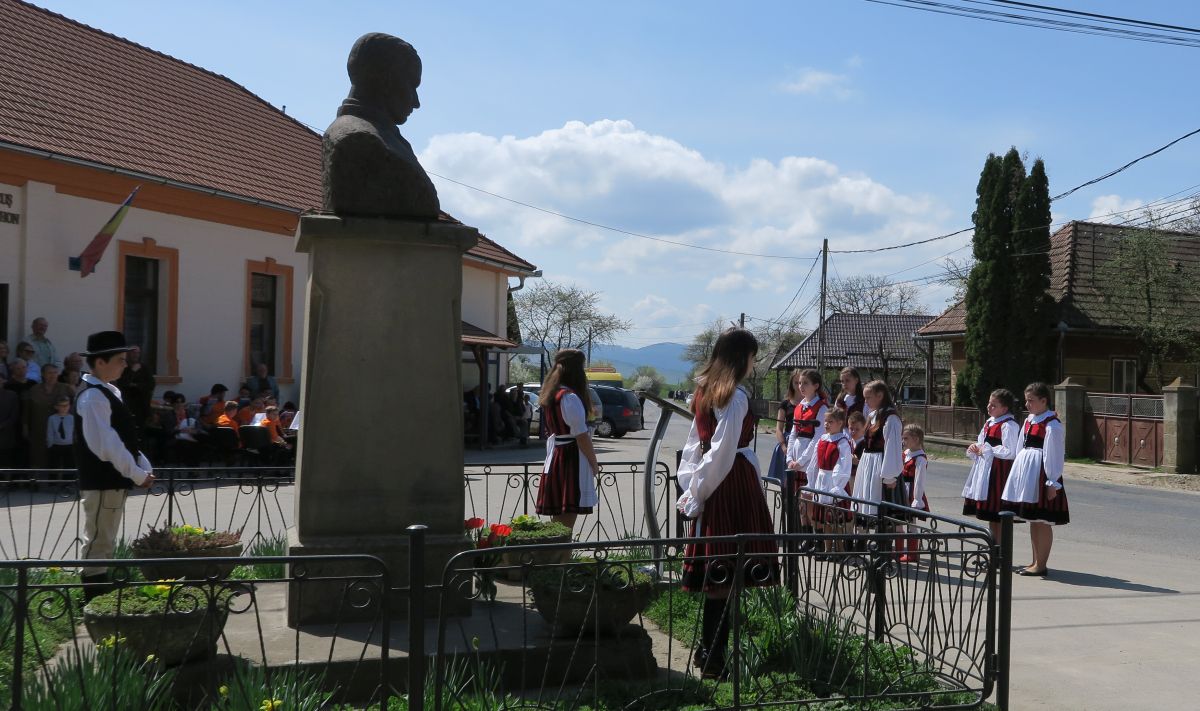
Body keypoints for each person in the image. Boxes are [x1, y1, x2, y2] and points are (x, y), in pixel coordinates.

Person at [675, 328, 778, 679]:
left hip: (718, 481)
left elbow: (694, 447)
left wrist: (691, 484)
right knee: (725, 573)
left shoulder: (705, 391)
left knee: (723, 573)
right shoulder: (734, 397)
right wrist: (696, 489)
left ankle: (710, 653)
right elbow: (720, 451)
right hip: (731, 483)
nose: (754, 363)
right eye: (753, 356)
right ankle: (714, 659)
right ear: (742, 357)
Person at [74, 331, 154, 601]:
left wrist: (142, 466)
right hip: (102, 481)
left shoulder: (108, 392)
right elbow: (107, 446)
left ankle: (98, 597)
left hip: (112, 481)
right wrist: (137, 473)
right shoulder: (94, 397)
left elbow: (123, 438)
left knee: (103, 540)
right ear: (99, 362)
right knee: (98, 540)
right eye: (119, 359)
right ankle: (94, 601)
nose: (124, 364)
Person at [1002, 382, 1069, 577]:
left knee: (1043, 520)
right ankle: (1034, 561)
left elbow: (1054, 455)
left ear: (1043, 400)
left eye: (1031, 401)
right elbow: (1020, 447)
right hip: (1028, 474)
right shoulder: (1030, 420)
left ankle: (1041, 564)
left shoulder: (1052, 425)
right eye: (1026, 400)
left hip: (1041, 474)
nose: (1027, 404)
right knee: (1033, 520)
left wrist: (1052, 482)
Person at [535, 349, 600, 531]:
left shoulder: (552, 394)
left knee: (559, 521)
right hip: (570, 459)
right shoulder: (569, 398)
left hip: (558, 456)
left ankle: (557, 556)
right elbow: (581, 437)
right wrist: (594, 464)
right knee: (566, 521)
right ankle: (560, 557)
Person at [962, 389, 1020, 544]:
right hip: (986, 471)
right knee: (991, 514)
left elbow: (1010, 451)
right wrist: (976, 448)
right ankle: (995, 548)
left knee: (1000, 515)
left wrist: (987, 450)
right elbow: (981, 442)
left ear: (1005, 408)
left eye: (994, 405)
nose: (989, 407)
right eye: (989, 403)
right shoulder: (989, 422)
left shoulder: (1009, 425)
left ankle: (1002, 551)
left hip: (1000, 473)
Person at [785, 368, 829, 540]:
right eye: (799, 383)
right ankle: (805, 537)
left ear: (816, 386)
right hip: (796, 458)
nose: (801, 386)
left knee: (810, 501)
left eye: (805, 383)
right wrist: (790, 457)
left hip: (810, 460)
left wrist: (802, 461)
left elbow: (817, 438)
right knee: (800, 502)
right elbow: (793, 433)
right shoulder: (800, 406)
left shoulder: (821, 406)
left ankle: (815, 540)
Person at [851, 381, 903, 520]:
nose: (865, 401)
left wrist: (889, 476)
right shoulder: (873, 415)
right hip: (869, 464)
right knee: (870, 508)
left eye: (868, 397)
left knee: (885, 511)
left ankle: (884, 540)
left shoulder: (890, 418)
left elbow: (892, 447)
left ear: (879, 395)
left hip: (881, 465)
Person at [812, 408, 854, 548]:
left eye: (830, 421)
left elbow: (844, 464)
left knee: (837, 519)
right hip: (822, 480)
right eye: (826, 421)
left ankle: (840, 550)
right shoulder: (823, 439)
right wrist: (812, 480)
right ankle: (827, 549)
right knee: (825, 519)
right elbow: (815, 463)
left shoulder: (842, 442)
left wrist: (837, 485)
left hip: (835, 483)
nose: (826, 424)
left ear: (840, 423)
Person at [24, 363, 74, 468]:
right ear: (43, 374)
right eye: (49, 373)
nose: (52, 375)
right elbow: (26, 410)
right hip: (39, 429)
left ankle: (60, 483)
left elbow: (74, 408)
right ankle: (38, 482)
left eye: (55, 373)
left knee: (58, 461)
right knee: (38, 457)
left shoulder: (65, 388)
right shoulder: (34, 390)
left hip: (60, 433)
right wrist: (25, 427)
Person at [898, 424, 930, 563]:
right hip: (901, 489)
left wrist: (917, 499)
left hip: (911, 491)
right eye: (903, 438)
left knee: (911, 522)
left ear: (916, 439)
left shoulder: (920, 459)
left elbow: (919, 481)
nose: (903, 441)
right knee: (898, 519)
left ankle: (912, 553)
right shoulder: (905, 453)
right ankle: (898, 551)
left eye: (906, 438)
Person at [766, 370, 801, 484]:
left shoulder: (810, 403)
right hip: (787, 442)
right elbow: (779, 428)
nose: (799, 386)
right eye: (796, 382)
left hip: (804, 443)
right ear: (791, 383)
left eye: (802, 382)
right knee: (785, 483)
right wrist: (783, 446)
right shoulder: (785, 404)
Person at [114, 346, 155, 440]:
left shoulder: (144, 368)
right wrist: (132, 371)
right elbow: (122, 383)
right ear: (128, 354)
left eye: (137, 353)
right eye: (133, 352)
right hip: (128, 404)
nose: (135, 355)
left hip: (142, 405)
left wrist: (135, 385)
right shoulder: (123, 367)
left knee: (141, 434)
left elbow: (150, 384)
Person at [45, 396, 75, 471]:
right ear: (56, 407)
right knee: (54, 467)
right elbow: (50, 433)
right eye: (62, 406)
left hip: (69, 446)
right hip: (56, 445)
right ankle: (53, 482)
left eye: (67, 405)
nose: (65, 408)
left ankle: (68, 482)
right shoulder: (52, 418)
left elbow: (75, 432)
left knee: (69, 466)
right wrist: (50, 445)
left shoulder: (72, 418)